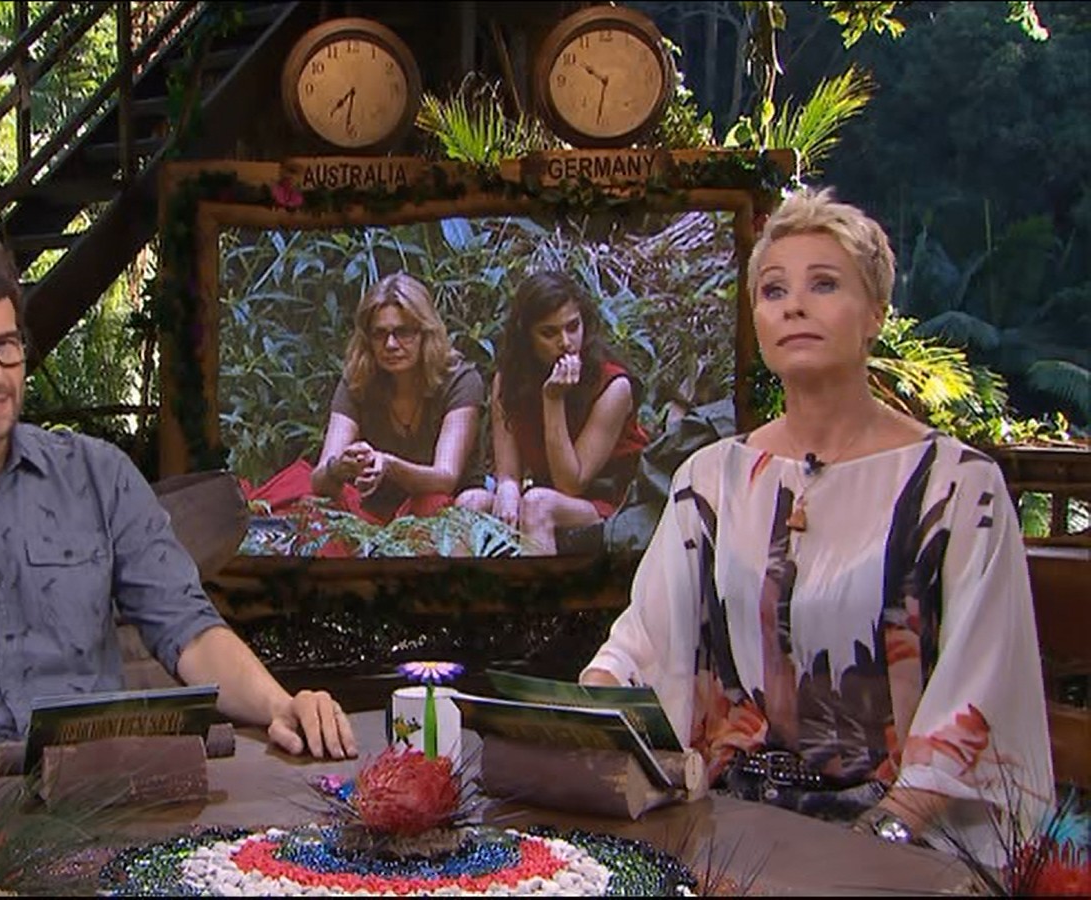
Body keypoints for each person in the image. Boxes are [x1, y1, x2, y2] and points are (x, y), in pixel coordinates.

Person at [0, 230, 357, 810]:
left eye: (6, 346)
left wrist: (281, 705)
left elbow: (188, 630)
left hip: (99, 797)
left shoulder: (97, 475)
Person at [578, 187, 1053, 865]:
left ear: (876, 313)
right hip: (725, 826)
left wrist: (881, 839)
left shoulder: (957, 488)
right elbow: (641, 644)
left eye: (823, 284)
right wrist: (585, 708)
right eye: (774, 290)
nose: (794, 305)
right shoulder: (710, 480)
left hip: (902, 839)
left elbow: (981, 688)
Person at [455, 270, 648, 554]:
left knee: (538, 504)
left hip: (612, 503)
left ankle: (541, 584)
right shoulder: (508, 381)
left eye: (573, 327)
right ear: (527, 337)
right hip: (546, 493)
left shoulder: (613, 386)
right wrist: (507, 489)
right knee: (469, 503)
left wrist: (553, 400)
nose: (566, 342)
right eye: (549, 333)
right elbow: (508, 472)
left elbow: (571, 484)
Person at [305, 272, 485, 525]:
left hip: (446, 508)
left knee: (439, 505)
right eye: (379, 334)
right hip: (375, 510)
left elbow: (446, 477)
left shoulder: (460, 381)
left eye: (403, 332)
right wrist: (340, 467)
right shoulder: (357, 381)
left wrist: (389, 465)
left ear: (425, 333)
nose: (390, 344)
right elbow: (319, 479)